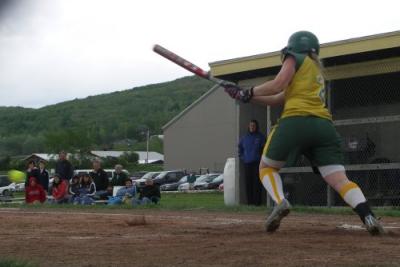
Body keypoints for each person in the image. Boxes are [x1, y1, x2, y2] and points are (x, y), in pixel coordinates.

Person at [223, 31, 384, 235]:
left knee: (266, 168)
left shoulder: (295, 58)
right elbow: (278, 97)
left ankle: (280, 202)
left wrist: (249, 91)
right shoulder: (315, 71)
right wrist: (244, 96)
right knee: (340, 180)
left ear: (294, 48)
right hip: (323, 127)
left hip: (296, 122)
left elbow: (277, 84)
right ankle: (367, 215)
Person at [238, 120, 266, 206]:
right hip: (247, 163)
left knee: (257, 183)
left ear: (256, 126)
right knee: (248, 183)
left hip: (257, 163)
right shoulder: (244, 138)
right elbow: (240, 150)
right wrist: (243, 158)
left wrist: (261, 159)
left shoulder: (261, 137)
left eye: (253, 125)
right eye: (250, 126)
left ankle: (257, 203)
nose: (252, 127)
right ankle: (249, 203)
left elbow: (264, 149)